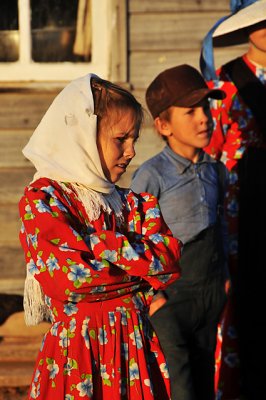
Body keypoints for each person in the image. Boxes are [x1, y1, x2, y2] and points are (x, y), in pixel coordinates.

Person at [18, 73, 183, 400]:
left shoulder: (136, 203)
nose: (132, 151)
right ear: (81, 136)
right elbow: (69, 280)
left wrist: (96, 242)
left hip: (135, 351)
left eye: (135, 139)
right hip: (79, 357)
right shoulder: (44, 201)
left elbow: (168, 260)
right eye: (120, 139)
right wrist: (139, 271)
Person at [131, 64, 229, 400]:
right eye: (190, 111)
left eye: (205, 107)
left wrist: (225, 278)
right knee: (180, 381)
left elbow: (222, 225)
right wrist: (152, 296)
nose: (204, 118)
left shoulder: (217, 170)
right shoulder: (151, 176)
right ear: (163, 125)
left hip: (211, 292)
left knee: (204, 374)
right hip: (171, 298)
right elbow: (134, 239)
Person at [200, 1, 266, 398]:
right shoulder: (224, 83)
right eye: (257, 19)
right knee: (245, 306)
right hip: (243, 217)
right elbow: (209, 156)